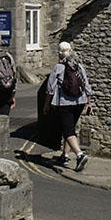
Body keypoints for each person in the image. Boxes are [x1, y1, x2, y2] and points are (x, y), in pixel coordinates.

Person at [45, 41, 92, 171]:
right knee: (70, 128)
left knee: (68, 131)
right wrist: (89, 102)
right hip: (80, 102)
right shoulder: (79, 66)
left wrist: (46, 105)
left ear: (60, 53)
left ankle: (80, 155)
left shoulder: (58, 67)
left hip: (65, 103)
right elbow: (86, 85)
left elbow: (50, 89)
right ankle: (65, 156)